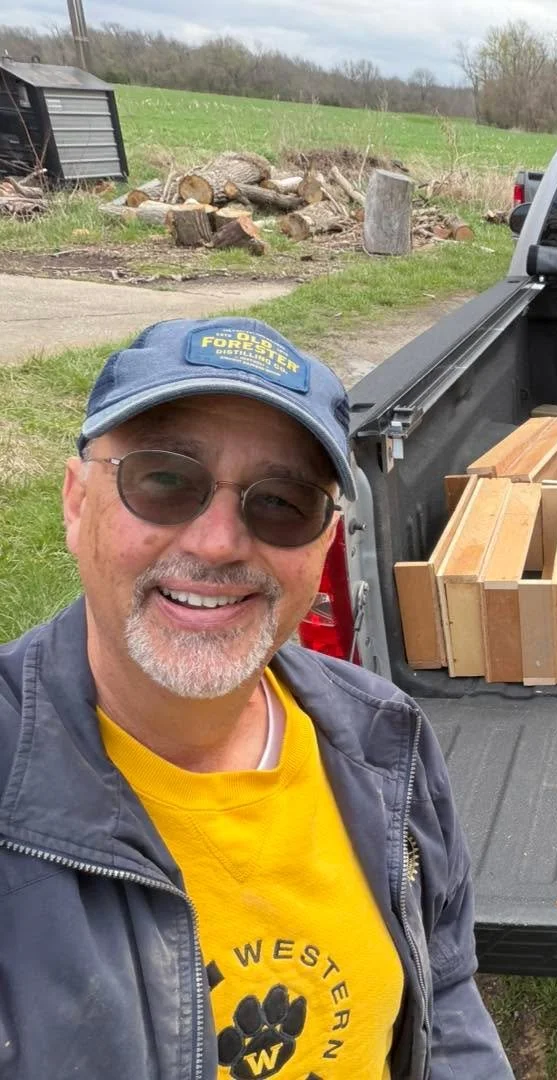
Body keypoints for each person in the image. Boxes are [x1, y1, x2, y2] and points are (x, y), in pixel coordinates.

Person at [0, 317, 514, 1079]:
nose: (217, 543)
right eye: (165, 480)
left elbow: (444, 992)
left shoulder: (381, 738)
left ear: (325, 543)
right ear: (77, 503)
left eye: (282, 500)